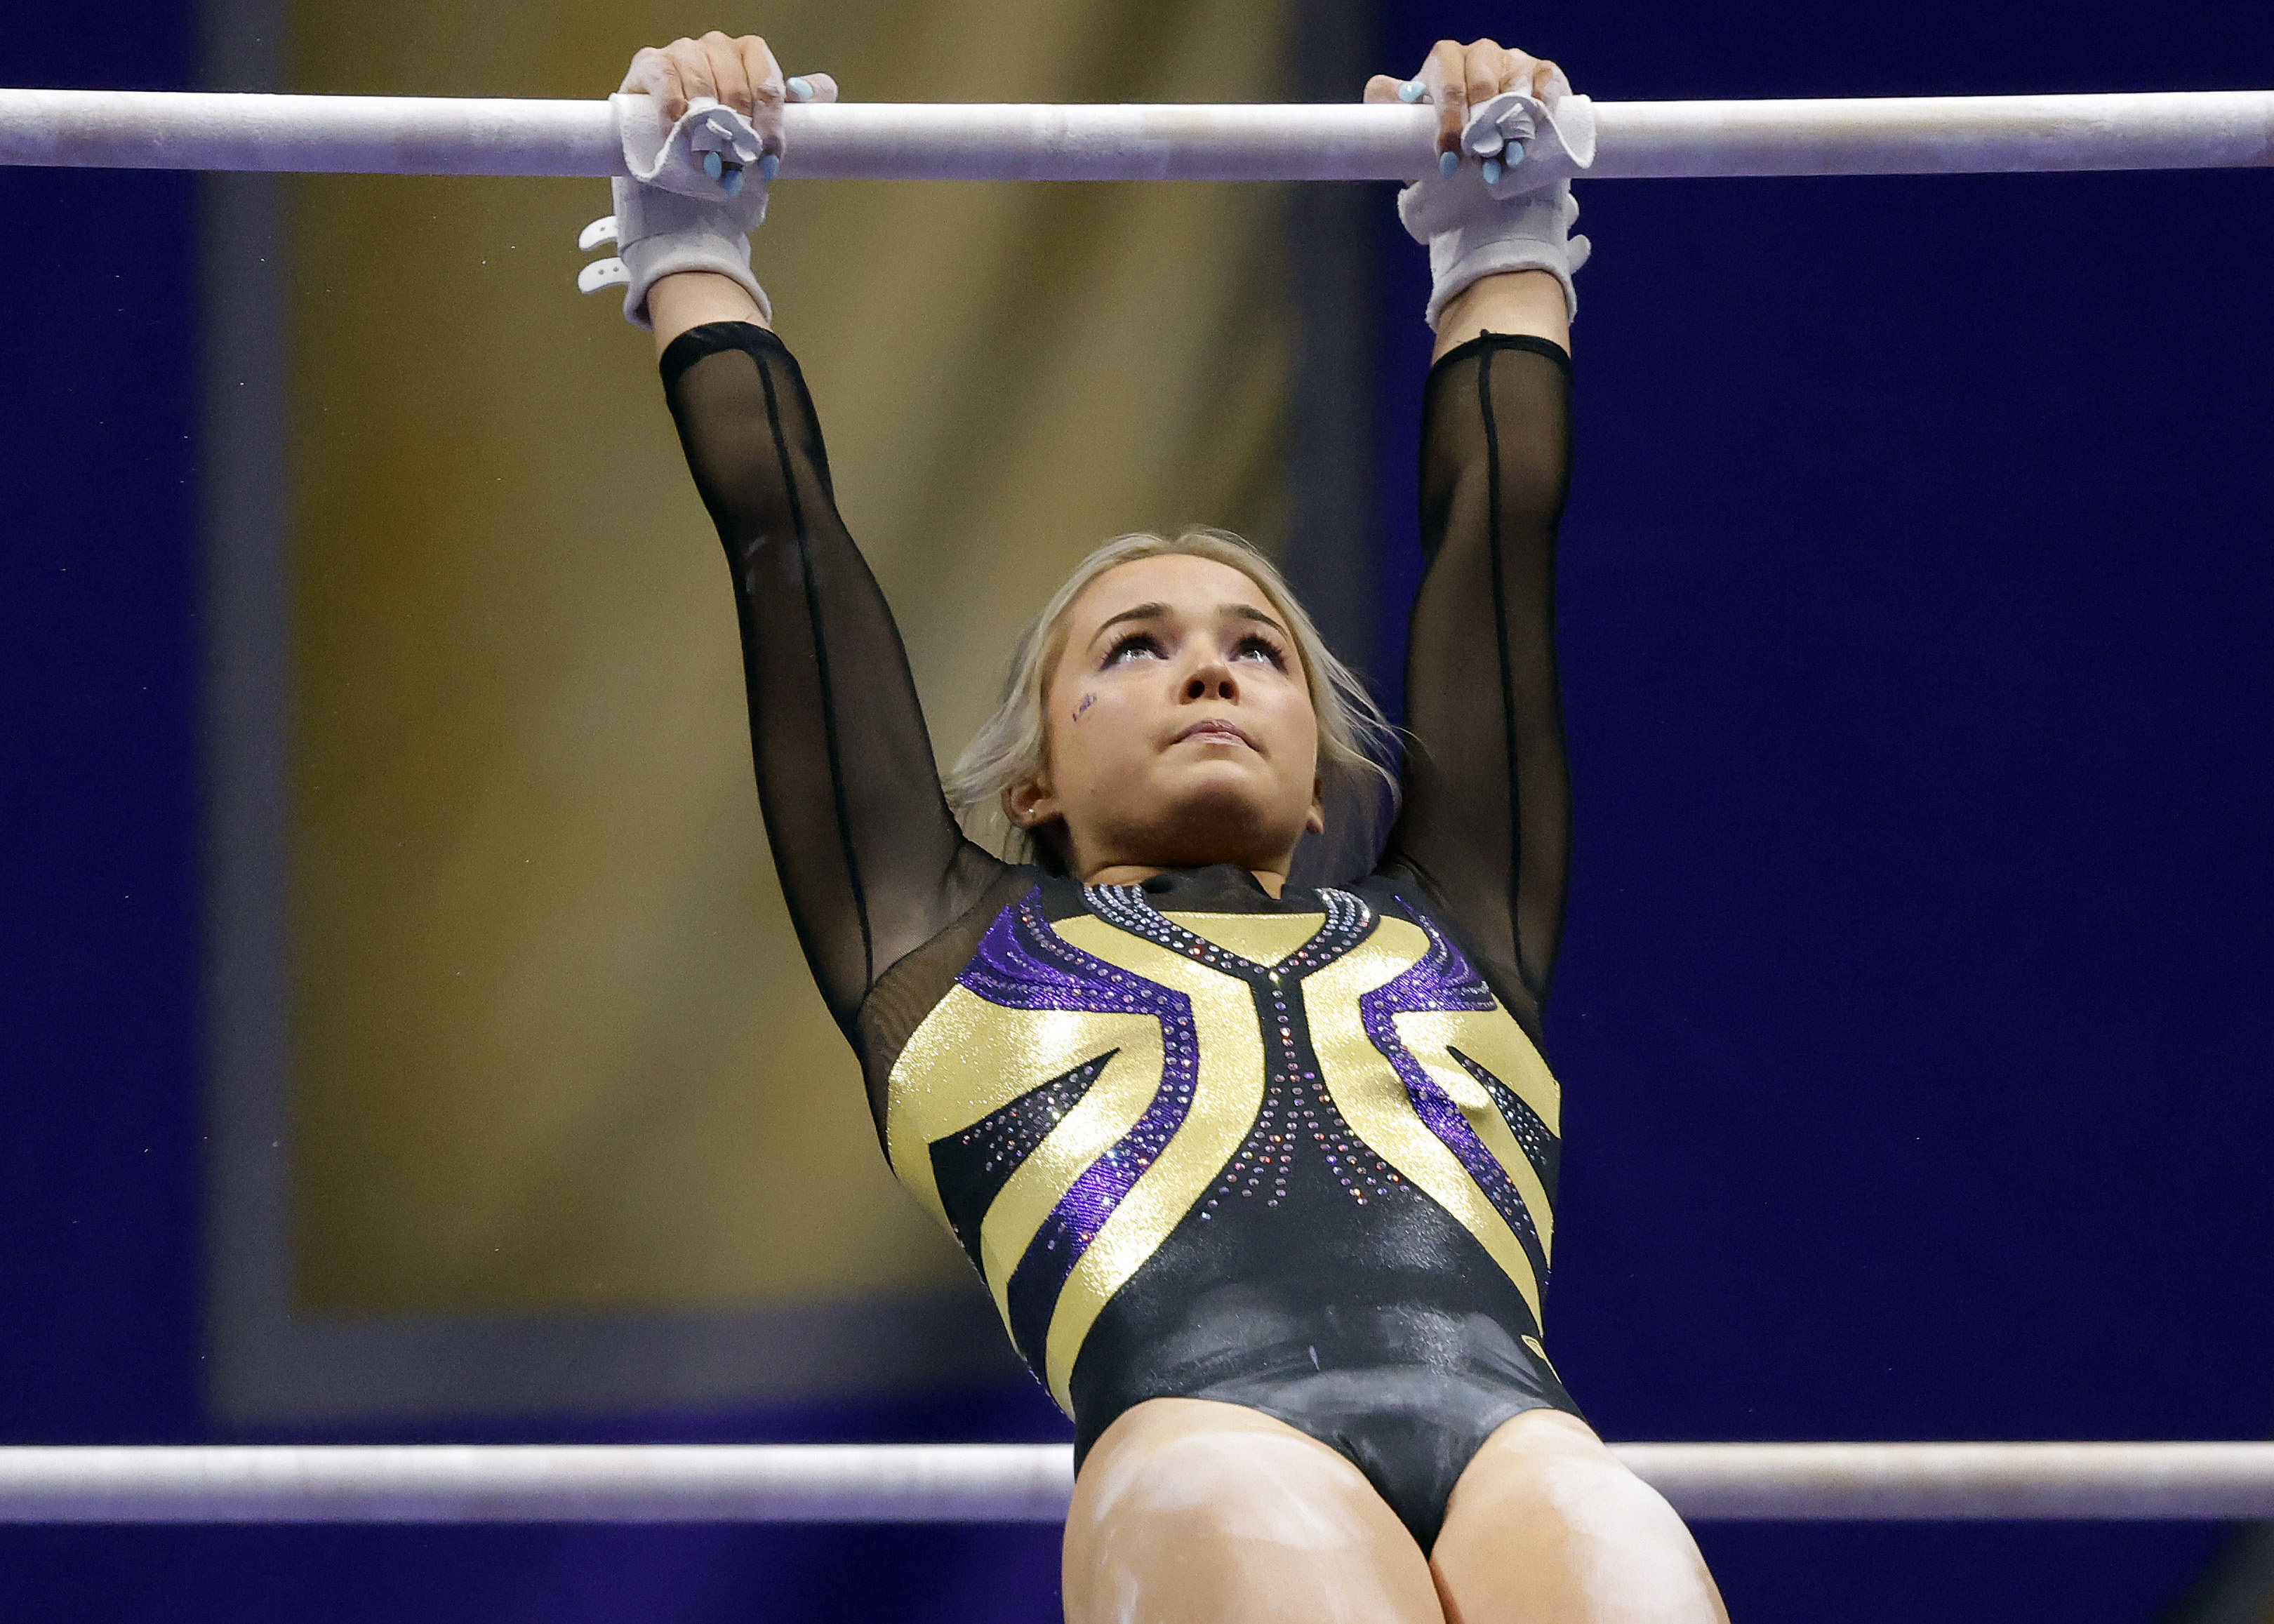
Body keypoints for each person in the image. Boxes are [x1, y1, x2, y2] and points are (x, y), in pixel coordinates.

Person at [585, 28, 1730, 1623]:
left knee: (1610, 1535)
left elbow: (1499, 537)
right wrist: (694, 248)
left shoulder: (1454, 922)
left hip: (1524, 1451)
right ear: (1032, 778)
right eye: (1133, 646)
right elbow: (786, 542)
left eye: (1257, 647)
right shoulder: (943, 939)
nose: (1207, 659)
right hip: (1209, 1450)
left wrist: (1501, 235)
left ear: (1322, 772)